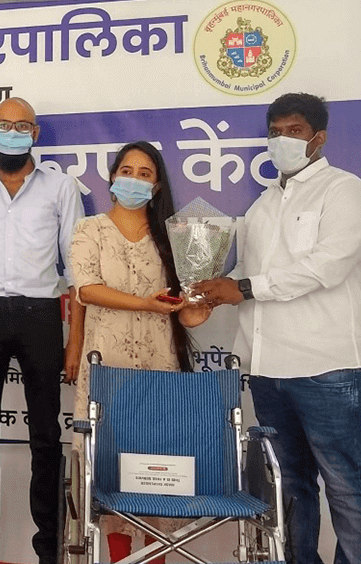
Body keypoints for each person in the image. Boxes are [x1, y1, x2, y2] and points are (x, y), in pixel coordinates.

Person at [194, 93, 361, 564]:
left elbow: (327, 267)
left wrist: (243, 287)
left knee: (346, 485)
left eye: (294, 131)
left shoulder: (344, 190)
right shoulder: (262, 205)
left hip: (328, 367)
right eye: (275, 131)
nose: (282, 140)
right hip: (268, 369)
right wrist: (208, 294)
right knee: (289, 485)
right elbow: (248, 276)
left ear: (319, 137)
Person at [0, 97, 85, 564]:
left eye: (22, 126)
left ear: (35, 134)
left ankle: (49, 548)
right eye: (4, 125)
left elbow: (76, 270)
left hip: (40, 314)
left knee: (45, 437)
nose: (12, 132)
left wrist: (74, 341)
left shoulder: (61, 187)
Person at [68, 141, 212, 561]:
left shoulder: (177, 236)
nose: (133, 179)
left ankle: (156, 556)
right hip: (106, 369)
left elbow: (185, 313)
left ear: (157, 185)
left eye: (144, 174)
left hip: (159, 368)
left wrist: (200, 306)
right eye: (126, 171)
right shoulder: (89, 229)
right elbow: (87, 289)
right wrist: (146, 304)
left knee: (155, 470)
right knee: (109, 471)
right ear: (113, 178)